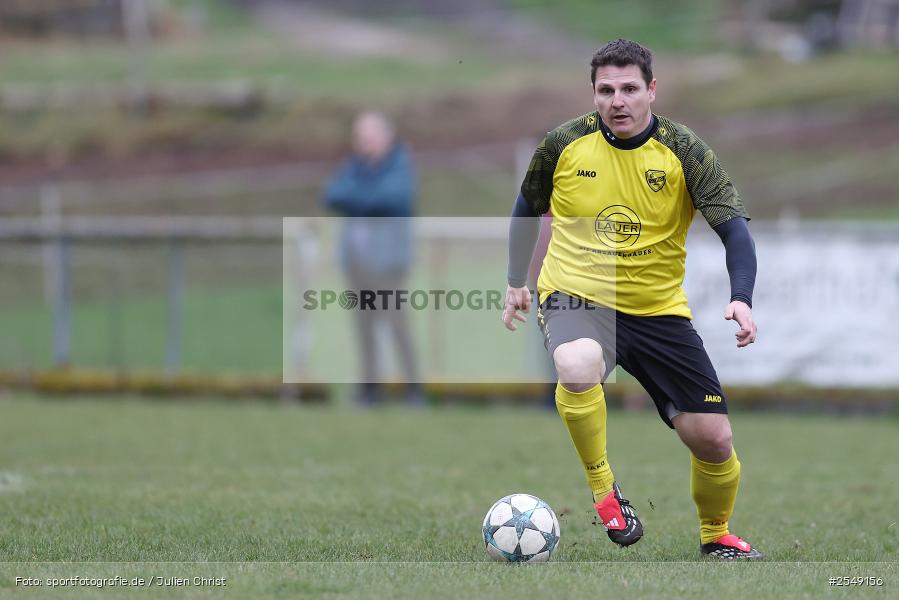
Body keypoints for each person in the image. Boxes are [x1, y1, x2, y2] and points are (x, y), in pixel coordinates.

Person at [502, 39, 761, 559]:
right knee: (575, 365)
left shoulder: (684, 150)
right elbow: (524, 210)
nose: (617, 101)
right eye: (606, 90)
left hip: (658, 309)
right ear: (593, 94)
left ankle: (717, 535)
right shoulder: (563, 145)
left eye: (628, 89)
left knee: (712, 438)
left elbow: (734, 230)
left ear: (651, 91)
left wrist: (742, 297)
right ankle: (604, 491)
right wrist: (516, 282)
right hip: (577, 294)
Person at [324, 111, 422, 406]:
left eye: (368, 136)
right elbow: (332, 195)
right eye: (359, 137)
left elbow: (392, 198)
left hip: (388, 266)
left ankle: (413, 390)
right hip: (357, 265)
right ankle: (369, 390)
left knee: (396, 327)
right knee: (363, 328)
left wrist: (358, 197)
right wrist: (365, 195)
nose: (363, 142)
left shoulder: (400, 165)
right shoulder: (354, 167)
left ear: (385, 136)